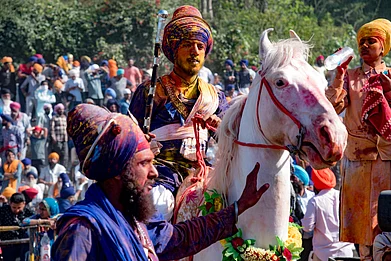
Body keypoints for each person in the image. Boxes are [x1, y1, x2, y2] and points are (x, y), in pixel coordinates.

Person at [51, 103, 269, 260]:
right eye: (144, 163)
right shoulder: (82, 230)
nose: (154, 172)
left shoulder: (136, 220)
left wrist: (238, 208)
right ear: (117, 171)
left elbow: (179, 238)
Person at [128, 5, 229, 198]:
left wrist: (220, 127)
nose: (195, 51)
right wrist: (140, 141)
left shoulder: (216, 97)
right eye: (187, 45)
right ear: (174, 50)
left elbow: (232, 138)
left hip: (201, 175)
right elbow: (128, 135)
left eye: (200, 46)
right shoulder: (151, 90)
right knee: (159, 204)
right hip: (160, 174)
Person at [325, 18, 391, 260]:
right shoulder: (350, 76)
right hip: (357, 159)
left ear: (382, 47)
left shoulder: (390, 76)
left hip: (386, 158)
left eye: (370, 41)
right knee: (361, 223)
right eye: (361, 42)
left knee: (383, 219)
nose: (364, 46)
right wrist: (338, 76)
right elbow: (331, 105)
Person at [302, 168, 354, 261]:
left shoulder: (315, 201)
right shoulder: (344, 196)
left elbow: (307, 227)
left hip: (323, 254)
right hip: (346, 252)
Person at [0, 192, 34, 261]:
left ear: (24, 204)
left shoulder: (29, 212)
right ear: (10, 203)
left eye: (19, 208)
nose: (16, 210)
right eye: (14, 207)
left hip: (23, 244)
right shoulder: (3, 211)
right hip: (7, 244)